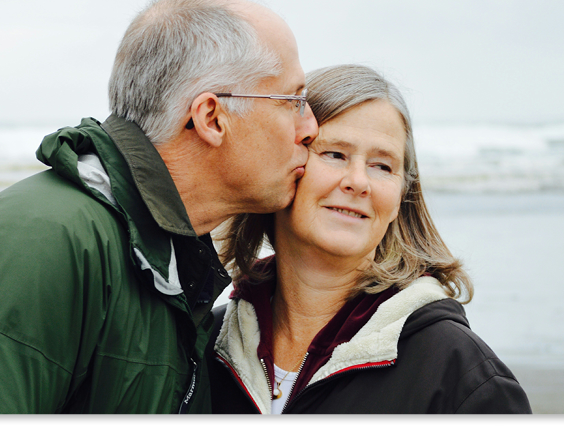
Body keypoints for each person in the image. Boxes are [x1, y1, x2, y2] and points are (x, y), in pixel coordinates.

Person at [0, 0, 318, 414]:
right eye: (294, 100)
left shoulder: (165, 259)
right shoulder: (40, 240)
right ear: (211, 117)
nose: (310, 127)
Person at [207, 64, 532, 414]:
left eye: (382, 165)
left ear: (399, 200)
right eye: (335, 154)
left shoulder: (463, 377)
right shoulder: (206, 345)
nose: (359, 181)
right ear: (285, 165)